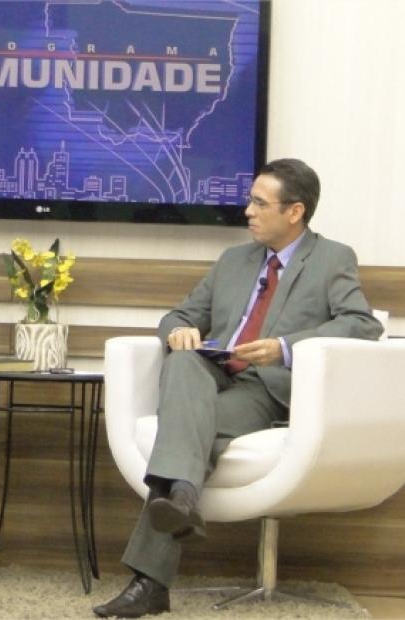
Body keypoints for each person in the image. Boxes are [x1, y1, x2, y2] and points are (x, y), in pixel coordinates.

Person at [93, 158, 383, 618]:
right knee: (183, 360)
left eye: (259, 203)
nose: (248, 211)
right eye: (250, 201)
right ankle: (183, 500)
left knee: (185, 432)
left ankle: (151, 579)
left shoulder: (332, 258)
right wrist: (179, 332)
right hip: (213, 372)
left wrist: (284, 348)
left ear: (295, 212)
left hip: (264, 389)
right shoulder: (233, 261)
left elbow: (362, 324)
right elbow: (179, 315)